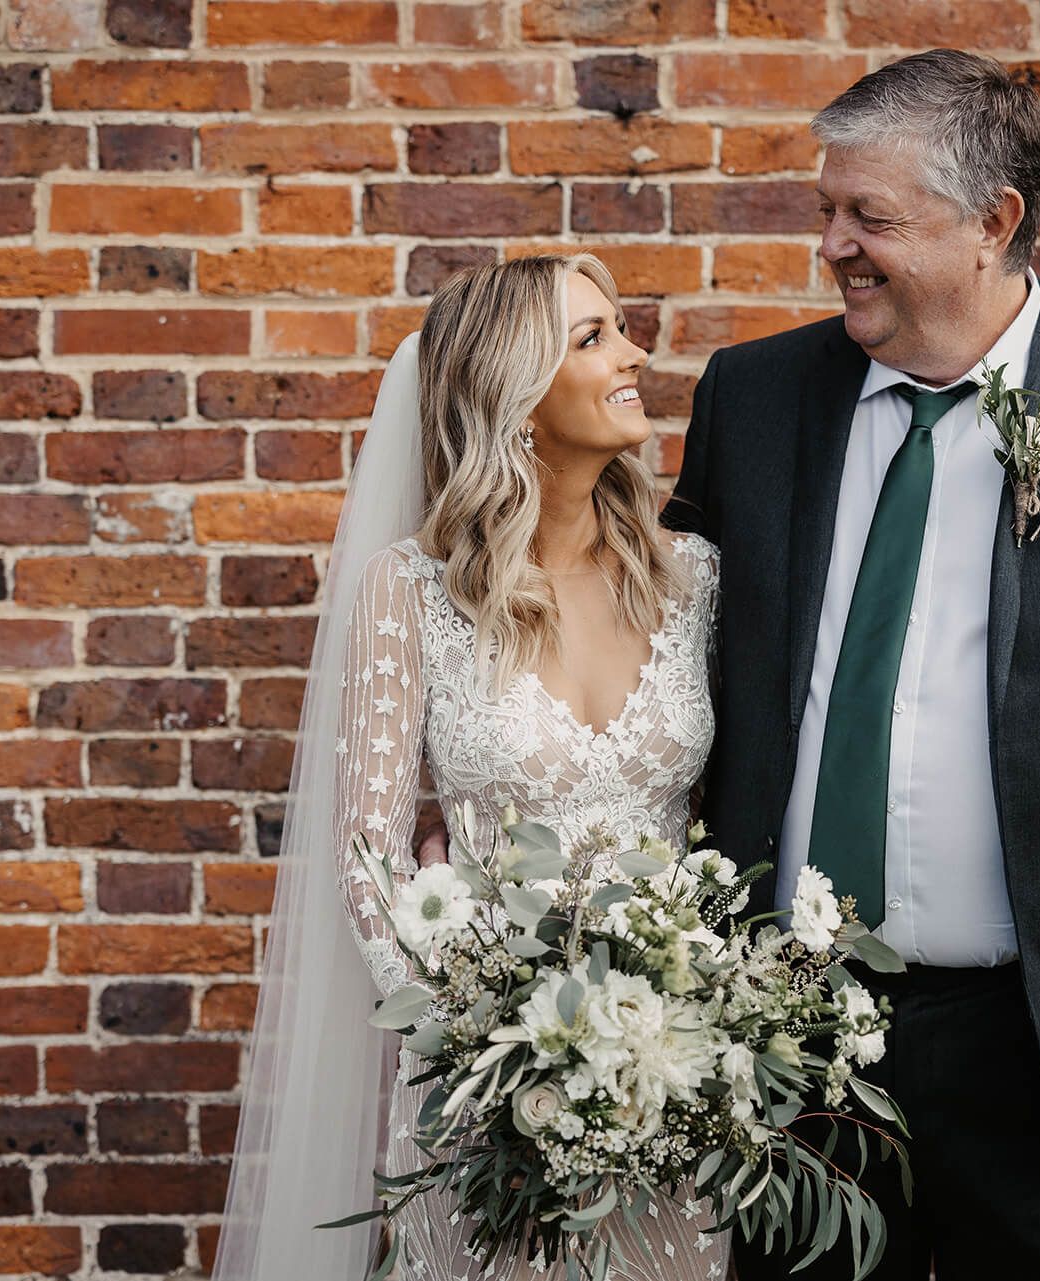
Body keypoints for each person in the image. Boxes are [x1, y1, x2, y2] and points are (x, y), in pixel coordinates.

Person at [212, 253, 727, 1280]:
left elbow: (727, 819)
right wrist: (483, 1040)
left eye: (621, 329)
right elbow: (367, 856)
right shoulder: (412, 591)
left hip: (672, 1083)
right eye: (594, 339)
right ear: (516, 395)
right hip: (488, 1094)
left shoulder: (693, 577)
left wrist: (701, 1022)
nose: (634, 355)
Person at [663, 48, 1040, 1281]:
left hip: (1019, 1036)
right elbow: (662, 648)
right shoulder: (754, 398)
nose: (833, 246)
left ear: (994, 224)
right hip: (793, 1030)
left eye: (870, 216)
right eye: (827, 209)